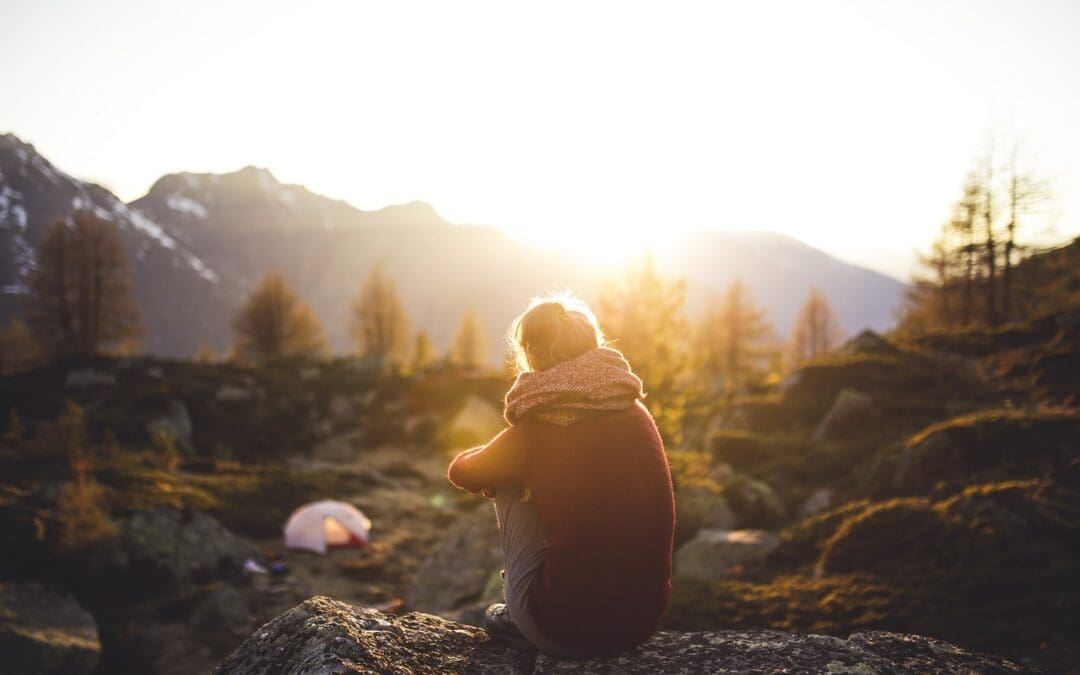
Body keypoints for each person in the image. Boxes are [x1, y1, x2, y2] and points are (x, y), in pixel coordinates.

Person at [446, 293, 675, 658]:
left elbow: (463, 472)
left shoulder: (539, 427)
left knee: (505, 476)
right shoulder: (635, 410)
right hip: (641, 624)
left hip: (564, 631)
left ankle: (523, 612)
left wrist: (512, 463)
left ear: (532, 354)